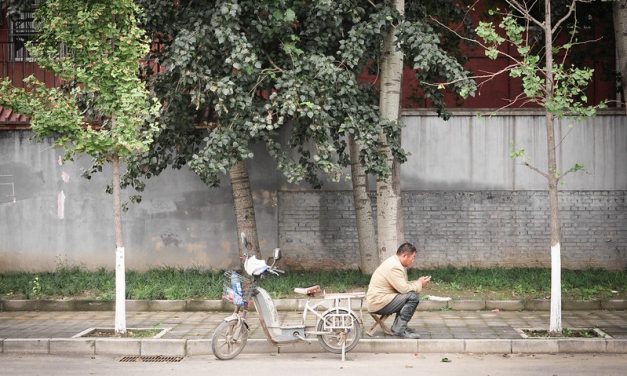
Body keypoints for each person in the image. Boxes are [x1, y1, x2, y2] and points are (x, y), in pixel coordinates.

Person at [366, 242, 431, 339]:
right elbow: (404, 289)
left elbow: (402, 285)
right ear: (405, 256)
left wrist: (418, 282)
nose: (413, 260)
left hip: (382, 300)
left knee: (410, 295)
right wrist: (420, 284)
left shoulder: (394, 262)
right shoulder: (394, 267)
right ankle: (399, 329)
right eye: (413, 257)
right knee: (413, 297)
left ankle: (401, 326)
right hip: (378, 303)